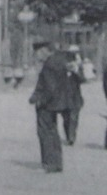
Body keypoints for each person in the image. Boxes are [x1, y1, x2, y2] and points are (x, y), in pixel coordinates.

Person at [28, 41, 74, 173]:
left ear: (43, 50)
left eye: (37, 53)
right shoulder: (59, 61)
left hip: (47, 104)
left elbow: (49, 87)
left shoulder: (48, 65)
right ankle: (57, 163)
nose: (36, 57)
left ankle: (49, 163)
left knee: (45, 132)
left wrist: (39, 100)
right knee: (53, 132)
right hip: (58, 102)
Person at [63, 45, 86, 145]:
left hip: (75, 96)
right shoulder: (63, 65)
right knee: (66, 118)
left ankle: (71, 137)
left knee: (74, 117)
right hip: (64, 96)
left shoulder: (78, 67)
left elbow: (83, 79)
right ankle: (68, 135)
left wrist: (76, 71)